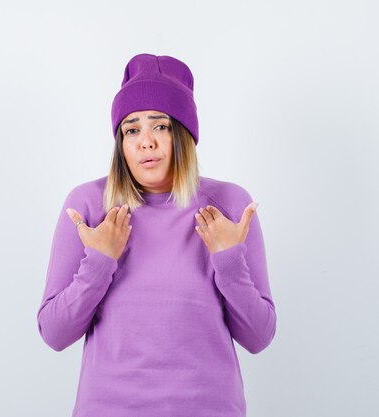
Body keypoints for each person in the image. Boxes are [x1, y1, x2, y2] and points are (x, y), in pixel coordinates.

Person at [36, 53, 277, 417]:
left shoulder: (229, 206)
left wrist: (229, 261)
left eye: (160, 126)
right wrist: (98, 263)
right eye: (132, 129)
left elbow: (258, 338)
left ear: (184, 134)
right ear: (121, 142)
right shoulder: (88, 206)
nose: (145, 142)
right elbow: (54, 334)